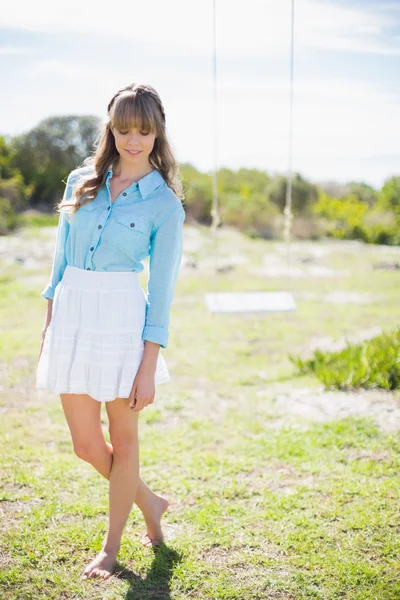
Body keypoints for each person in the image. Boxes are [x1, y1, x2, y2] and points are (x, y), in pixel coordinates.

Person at [36, 82, 186, 580]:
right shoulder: (81, 180)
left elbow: (161, 291)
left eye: (144, 130)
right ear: (112, 129)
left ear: (157, 132)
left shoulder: (164, 204)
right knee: (84, 444)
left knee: (124, 440)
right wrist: (50, 321)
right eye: (124, 129)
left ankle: (112, 547)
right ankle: (150, 501)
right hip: (74, 309)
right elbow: (59, 260)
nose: (133, 140)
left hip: (122, 318)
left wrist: (148, 365)